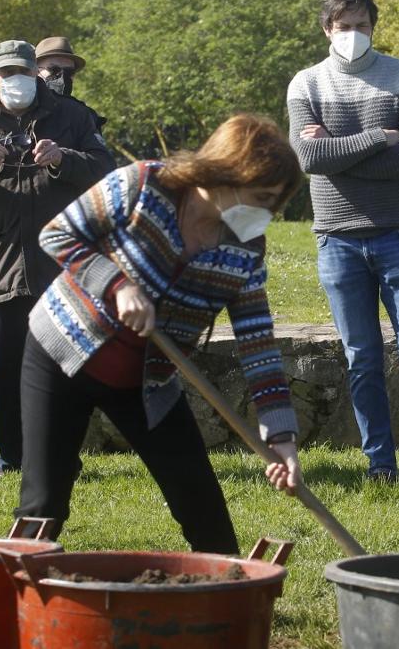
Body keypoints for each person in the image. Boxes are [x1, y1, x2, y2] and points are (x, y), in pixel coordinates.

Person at [15, 114, 303, 548]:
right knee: (45, 500)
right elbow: (59, 234)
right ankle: (14, 597)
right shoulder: (144, 184)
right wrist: (118, 284)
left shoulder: (245, 248)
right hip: (62, 351)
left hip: (146, 382)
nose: (265, 214)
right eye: (261, 198)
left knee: (200, 501)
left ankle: (231, 598)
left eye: (274, 205)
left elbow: (258, 346)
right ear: (228, 171)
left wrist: (282, 438)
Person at [287, 0, 399, 505]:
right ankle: (380, 466)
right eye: (344, 26)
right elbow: (309, 160)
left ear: (373, 26)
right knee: (361, 357)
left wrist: (341, 149)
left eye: (361, 25)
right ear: (327, 29)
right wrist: (375, 138)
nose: (353, 33)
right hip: (336, 238)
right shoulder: (306, 83)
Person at [0, 39, 115, 476]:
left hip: (61, 266)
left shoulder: (72, 117)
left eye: (23, 72)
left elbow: (107, 172)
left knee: (64, 367)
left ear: (37, 74)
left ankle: (61, 459)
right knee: (4, 372)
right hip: (1, 266)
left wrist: (63, 158)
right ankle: (11, 461)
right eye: (6, 73)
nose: (16, 80)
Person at [35, 35, 107, 133]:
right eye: (54, 69)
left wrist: (60, 149)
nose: (62, 77)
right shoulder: (16, 109)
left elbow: (96, 148)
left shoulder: (84, 116)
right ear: (34, 71)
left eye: (69, 72)